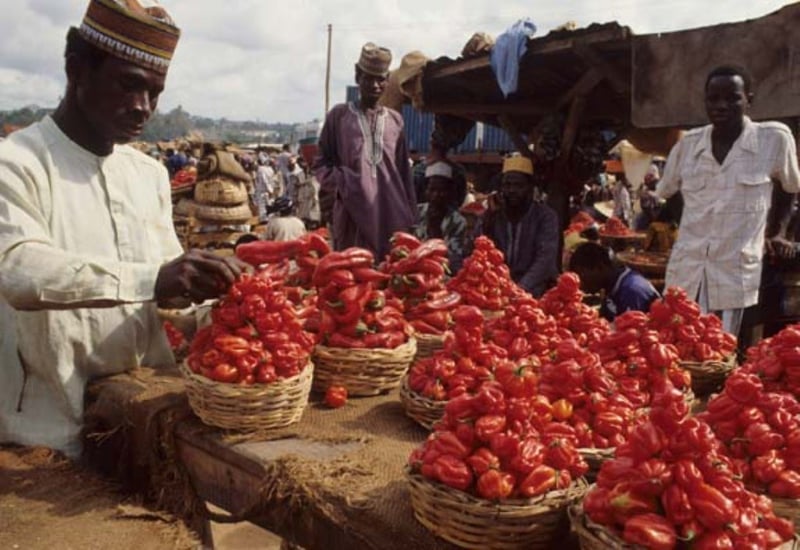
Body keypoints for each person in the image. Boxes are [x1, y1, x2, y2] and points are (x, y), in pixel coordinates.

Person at [0, 0, 249, 458]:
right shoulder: (16, 164)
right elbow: (18, 271)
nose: (143, 107)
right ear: (77, 69)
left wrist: (227, 306)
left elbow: (166, 298)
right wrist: (153, 279)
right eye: (129, 85)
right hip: (48, 436)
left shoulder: (147, 174)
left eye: (155, 93)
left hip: (146, 421)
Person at [656, 64, 800, 337]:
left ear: (749, 99)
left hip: (736, 272)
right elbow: (668, 190)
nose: (721, 105)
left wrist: (777, 232)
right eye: (713, 99)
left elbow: (789, 186)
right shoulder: (688, 145)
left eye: (732, 97)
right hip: (689, 270)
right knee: (681, 351)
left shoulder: (774, 139)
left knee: (730, 354)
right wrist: (691, 224)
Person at [314, 42, 417, 260]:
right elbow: (321, 162)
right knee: (351, 276)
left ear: (388, 80)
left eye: (380, 79)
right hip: (353, 215)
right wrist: (344, 182)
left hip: (392, 213)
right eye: (368, 77)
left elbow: (403, 173)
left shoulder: (395, 120)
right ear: (357, 76)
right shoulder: (339, 116)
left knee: (392, 276)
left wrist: (411, 216)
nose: (375, 85)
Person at [481, 155, 559, 297]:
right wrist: (489, 217)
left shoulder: (545, 217)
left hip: (535, 293)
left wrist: (519, 290)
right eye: (507, 185)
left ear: (530, 187)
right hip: (497, 290)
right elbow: (477, 249)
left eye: (518, 185)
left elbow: (545, 260)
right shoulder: (494, 214)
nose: (511, 190)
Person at [569, 242, 660, 321]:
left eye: (581, 276)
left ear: (600, 267)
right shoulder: (610, 285)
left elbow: (631, 333)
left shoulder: (631, 291)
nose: (579, 285)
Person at [415, 161, 468, 273]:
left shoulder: (458, 221)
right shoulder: (416, 212)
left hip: (441, 273)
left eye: (441, 190)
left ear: (449, 193)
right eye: (432, 190)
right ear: (426, 192)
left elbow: (454, 261)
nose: (436, 195)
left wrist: (435, 229)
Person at [293, 156, 321, 228]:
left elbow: (316, 185)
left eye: (303, 162)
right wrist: (295, 197)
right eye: (299, 163)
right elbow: (295, 187)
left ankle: (314, 224)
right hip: (302, 195)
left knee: (314, 211)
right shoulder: (298, 175)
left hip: (312, 194)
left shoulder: (314, 174)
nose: (301, 165)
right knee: (303, 211)